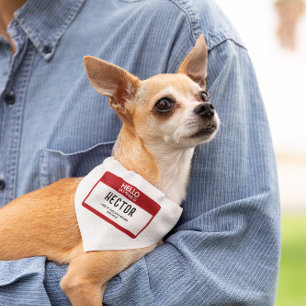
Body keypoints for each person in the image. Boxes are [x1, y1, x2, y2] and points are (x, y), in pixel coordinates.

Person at [0, 0, 280, 305]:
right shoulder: (122, 221)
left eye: (201, 96)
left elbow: (226, 279)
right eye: (165, 106)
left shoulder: (187, 23)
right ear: (122, 99)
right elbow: (79, 283)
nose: (202, 107)